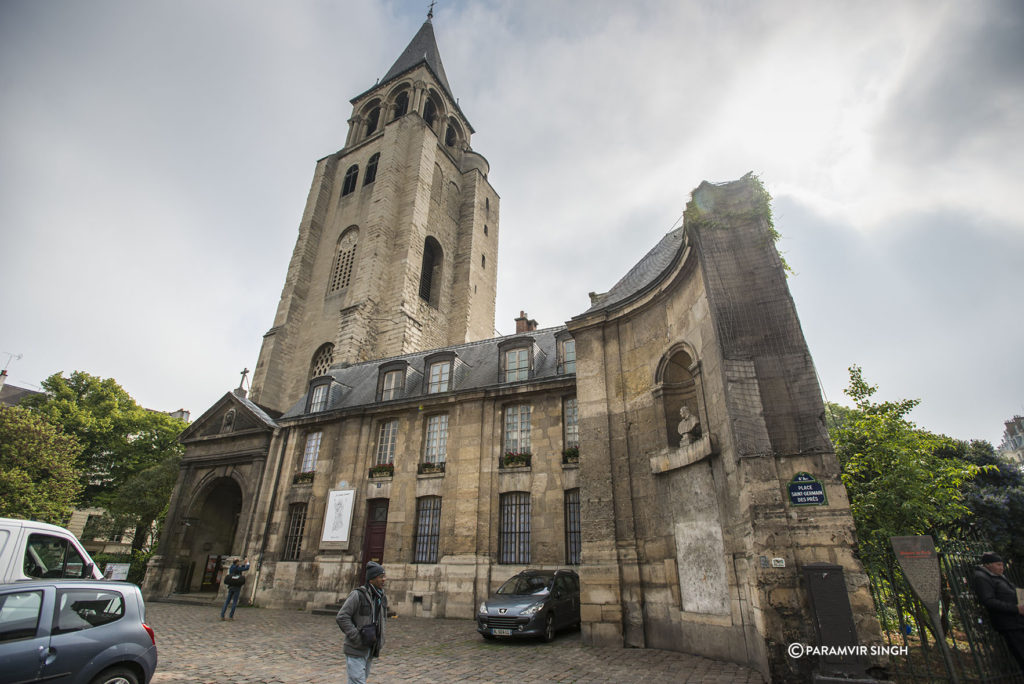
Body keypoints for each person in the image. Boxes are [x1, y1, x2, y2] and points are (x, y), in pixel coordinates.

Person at [336, 561, 388, 684]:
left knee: (358, 680)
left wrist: (380, 639)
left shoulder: (381, 597)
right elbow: (342, 617)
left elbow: (382, 620)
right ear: (371, 579)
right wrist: (356, 636)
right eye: (381, 577)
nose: (384, 580)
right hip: (356, 648)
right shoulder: (357, 595)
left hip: (370, 647)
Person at [973, 551, 1024, 673]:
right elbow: (988, 601)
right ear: (988, 565)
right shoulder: (981, 577)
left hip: (1018, 621)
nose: (1002, 568)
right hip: (1010, 623)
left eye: (1002, 565)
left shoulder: (999, 576)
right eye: (998, 565)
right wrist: (1016, 608)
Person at [220, 557, 250, 621]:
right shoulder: (237, 568)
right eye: (238, 562)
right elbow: (246, 568)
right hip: (236, 586)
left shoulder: (232, 567)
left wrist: (243, 564)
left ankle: (222, 615)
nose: (239, 562)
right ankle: (231, 616)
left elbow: (240, 568)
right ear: (237, 562)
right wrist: (247, 562)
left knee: (227, 601)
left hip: (231, 586)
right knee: (234, 602)